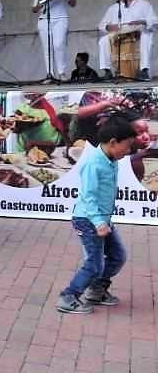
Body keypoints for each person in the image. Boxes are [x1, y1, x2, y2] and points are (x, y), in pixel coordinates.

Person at [56, 115, 135, 314]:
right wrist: (99, 222)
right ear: (113, 142)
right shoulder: (93, 163)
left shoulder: (111, 159)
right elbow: (88, 197)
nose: (128, 151)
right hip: (88, 220)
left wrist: (105, 220)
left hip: (102, 219)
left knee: (118, 256)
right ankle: (68, 296)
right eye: (126, 147)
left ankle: (96, 291)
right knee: (94, 264)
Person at [97, 0, 158, 81]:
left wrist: (142, 21)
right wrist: (109, 27)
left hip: (139, 32)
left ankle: (144, 70)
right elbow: (101, 25)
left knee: (146, 38)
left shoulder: (144, 4)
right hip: (120, 33)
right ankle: (107, 71)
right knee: (103, 41)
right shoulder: (114, 7)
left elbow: (155, 21)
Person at [32, 0, 76, 83]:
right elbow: (34, 9)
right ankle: (50, 74)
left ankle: (61, 72)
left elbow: (72, 3)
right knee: (47, 48)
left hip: (60, 19)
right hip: (44, 20)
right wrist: (40, 5)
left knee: (59, 44)